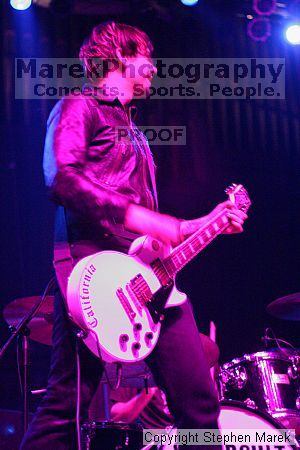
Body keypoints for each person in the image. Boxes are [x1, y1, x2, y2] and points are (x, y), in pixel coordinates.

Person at [20, 21, 247, 450]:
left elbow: (158, 228)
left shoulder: (135, 131)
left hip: (152, 278)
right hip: (98, 274)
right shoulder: (79, 105)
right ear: (120, 54)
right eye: (147, 58)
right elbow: (61, 178)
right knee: (65, 408)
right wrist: (140, 218)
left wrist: (205, 223)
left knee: (200, 409)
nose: (154, 70)